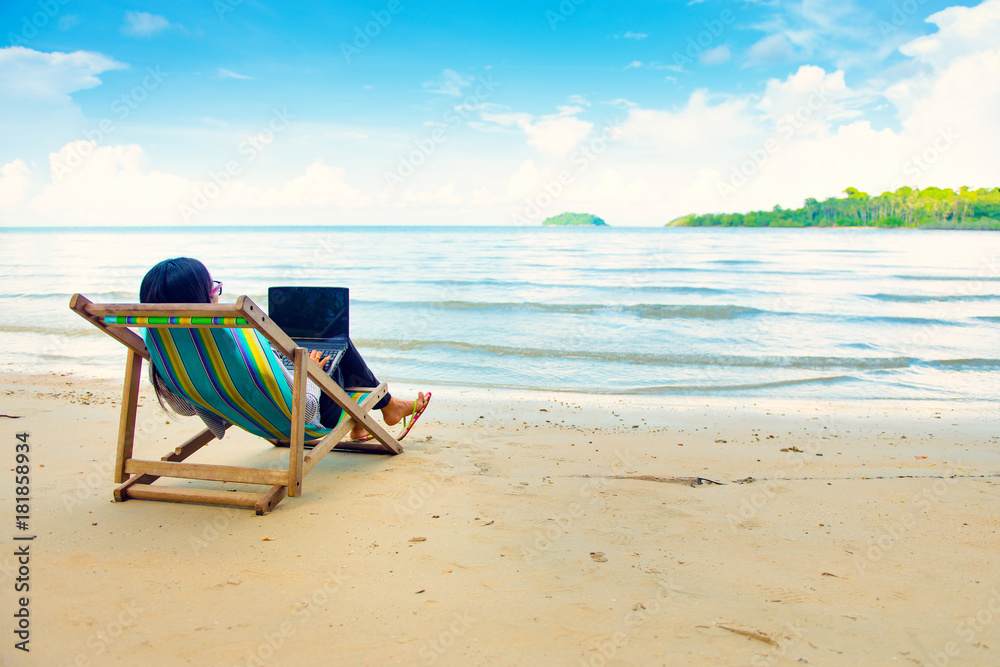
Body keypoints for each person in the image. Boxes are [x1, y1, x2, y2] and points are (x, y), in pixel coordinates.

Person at [139, 257, 429, 442]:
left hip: (251, 414)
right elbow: (307, 413)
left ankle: (370, 417)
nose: (217, 293)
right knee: (335, 343)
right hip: (303, 419)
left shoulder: (162, 348)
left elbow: (185, 408)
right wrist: (311, 374)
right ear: (204, 298)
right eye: (213, 289)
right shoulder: (236, 333)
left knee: (323, 347)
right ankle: (386, 407)